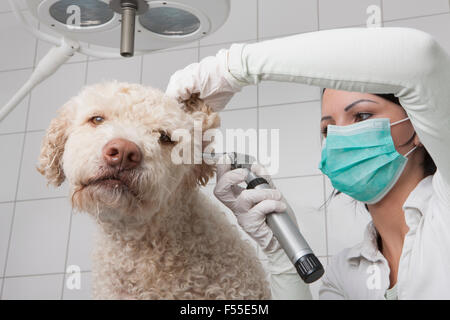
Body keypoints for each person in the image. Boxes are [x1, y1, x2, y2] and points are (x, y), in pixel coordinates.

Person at [165, 27, 450, 299]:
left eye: (361, 116)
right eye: (328, 129)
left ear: (419, 128)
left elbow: (423, 57)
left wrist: (232, 68)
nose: (339, 137)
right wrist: (281, 253)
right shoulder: (345, 273)